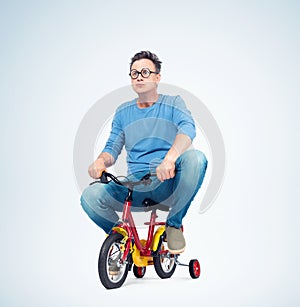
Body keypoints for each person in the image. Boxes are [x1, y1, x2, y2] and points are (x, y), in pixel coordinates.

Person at [81, 50, 207, 255]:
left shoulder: (173, 103)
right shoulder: (123, 111)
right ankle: (123, 240)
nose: (139, 76)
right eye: (134, 73)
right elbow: (112, 147)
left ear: (158, 77)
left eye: (145, 72)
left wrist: (169, 159)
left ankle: (173, 226)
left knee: (196, 159)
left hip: (166, 181)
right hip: (134, 185)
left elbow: (188, 128)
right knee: (90, 196)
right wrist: (100, 161)